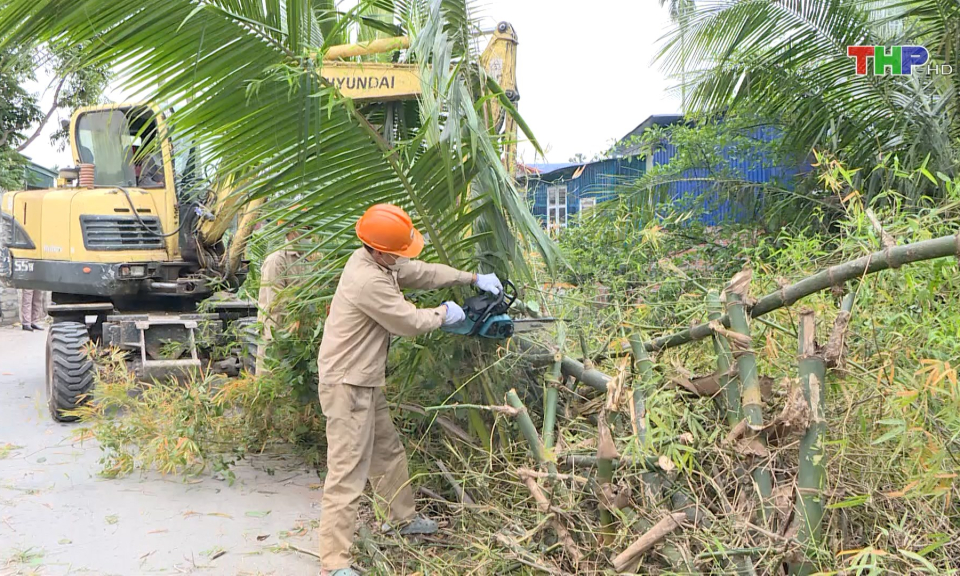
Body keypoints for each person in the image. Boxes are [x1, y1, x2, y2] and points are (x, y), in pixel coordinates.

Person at [315, 204, 502, 576]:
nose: (403, 257)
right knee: (347, 472)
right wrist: (443, 314)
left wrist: (470, 278)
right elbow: (406, 320)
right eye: (398, 251)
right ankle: (334, 563)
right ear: (381, 249)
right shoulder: (367, 280)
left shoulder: (378, 259)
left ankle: (400, 519)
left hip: (364, 378)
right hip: (347, 384)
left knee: (386, 452)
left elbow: (422, 272)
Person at [255, 225, 308, 375]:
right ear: (292, 229)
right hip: (276, 332)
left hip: (295, 334)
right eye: (306, 228)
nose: (309, 234)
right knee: (272, 378)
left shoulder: (304, 259)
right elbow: (276, 300)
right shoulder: (277, 260)